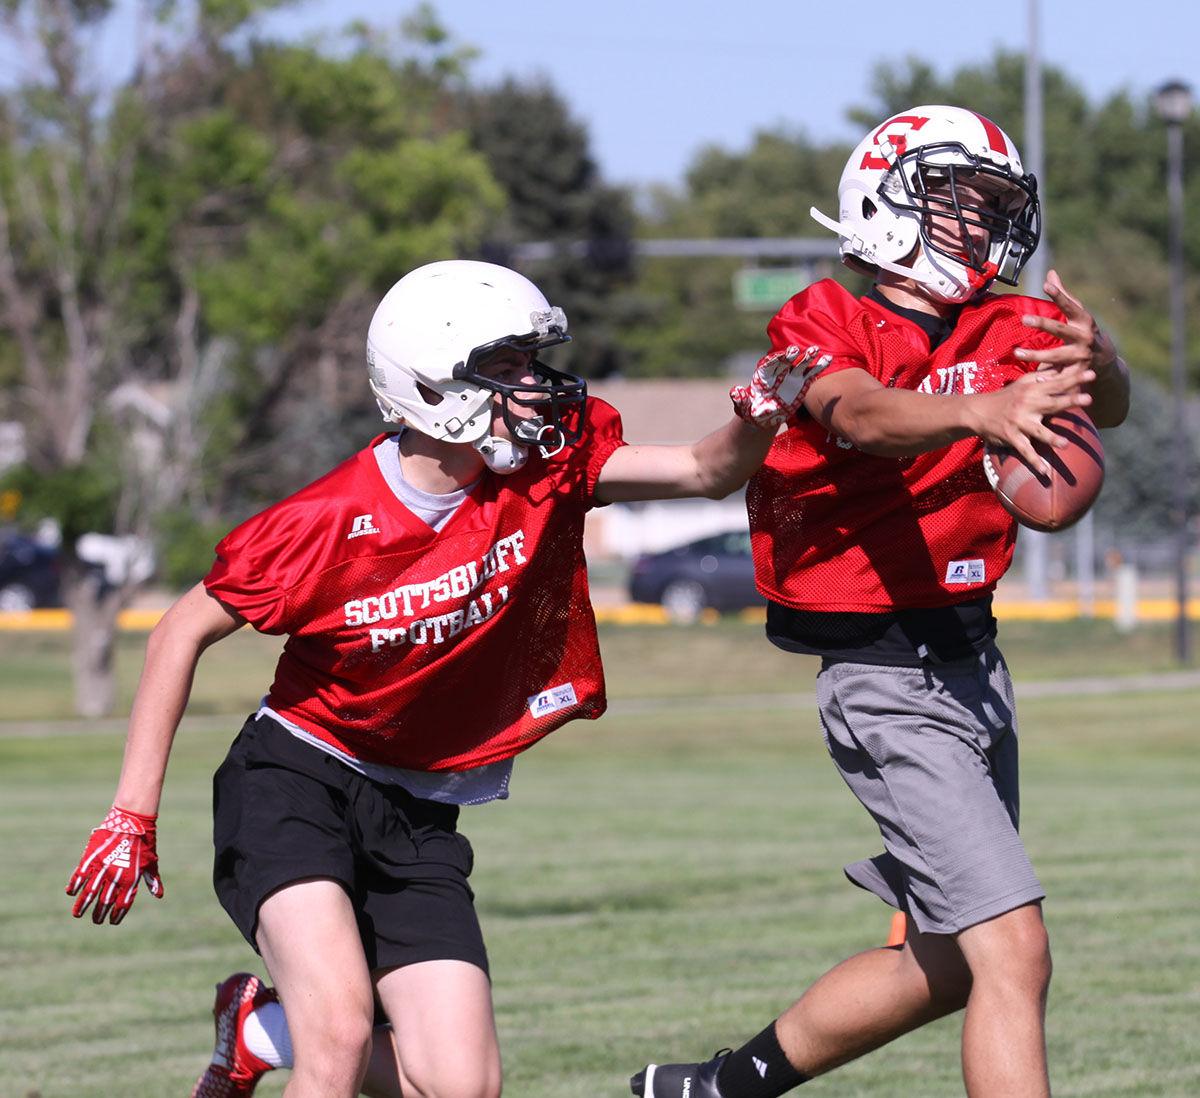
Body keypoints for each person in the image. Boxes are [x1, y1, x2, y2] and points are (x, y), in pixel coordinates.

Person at [64, 259, 827, 1098]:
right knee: (342, 1036)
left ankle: (257, 1028)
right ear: (426, 383)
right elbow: (178, 631)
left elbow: (702, 471)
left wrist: (760, 416)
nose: (533, 386)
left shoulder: (544, 469)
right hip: (294, 780)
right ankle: (294, 1031)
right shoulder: (325, 520)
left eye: (531, 364)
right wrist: (131, 812)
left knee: (462, 1087)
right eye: (504, 369)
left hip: (417, 807)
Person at [631, 104, 1130, 1098]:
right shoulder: (824, 316)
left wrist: (1102, 363)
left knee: (949, 963)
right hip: (882, 678)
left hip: (975, 666)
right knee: (1014, 951)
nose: (985, 226)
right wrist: (975, 412)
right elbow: (856, 410)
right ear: (889, 202)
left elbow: (1101, 409)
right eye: (962, 203)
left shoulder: (1017, 324)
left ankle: (722, 1087)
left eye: (998, 207)